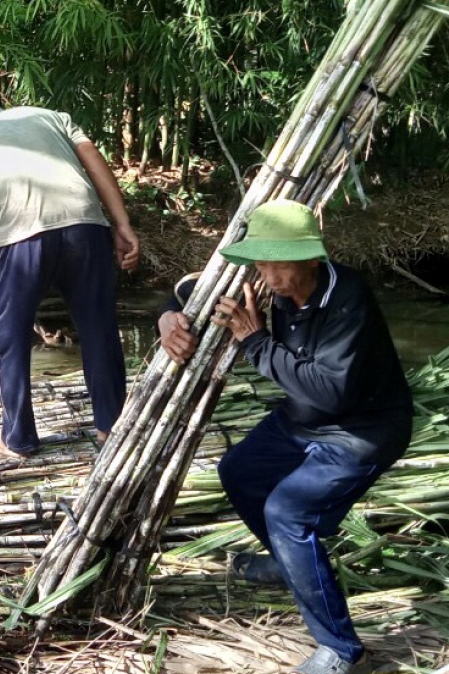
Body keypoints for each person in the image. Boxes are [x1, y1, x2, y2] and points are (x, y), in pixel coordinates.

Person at [159, 199, 413, 674]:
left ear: (311, 258)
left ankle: (341, 649)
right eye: (261, 263)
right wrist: (168, 316)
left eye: (279, 265)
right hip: (302, 421)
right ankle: (287, 562)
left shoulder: (347, 298)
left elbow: (331, 392)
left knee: (288, 510)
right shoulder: (266, 280)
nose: (269, 277)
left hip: (362, 430)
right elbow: (190, 289)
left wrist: (254, 341)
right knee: (239, 471)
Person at [0, 89, 139, 456]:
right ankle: (111, 429)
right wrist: (122, 224)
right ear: (0, 106)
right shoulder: (49, 116)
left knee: (10, 338)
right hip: (86, 227)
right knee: (99, 328)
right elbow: (95, 164)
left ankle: (17, 438)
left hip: (19, 243)